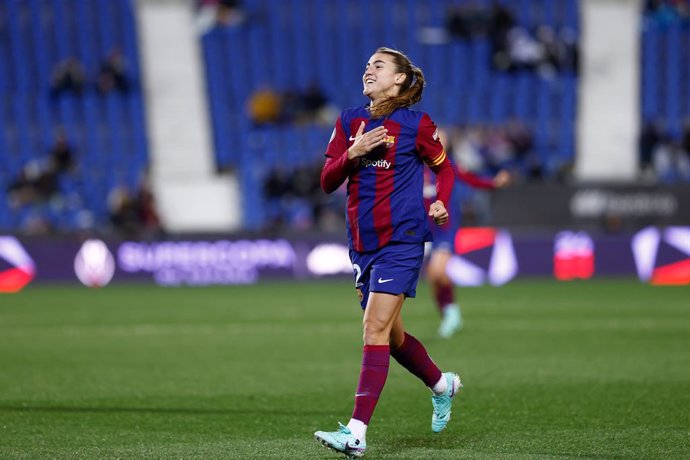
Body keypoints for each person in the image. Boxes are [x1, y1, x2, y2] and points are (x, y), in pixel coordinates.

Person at [314, 47, 462, 458]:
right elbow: (326, 181)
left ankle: (356, 433)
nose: (368, 71)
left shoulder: (417, 125)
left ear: (398, 79)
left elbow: (445, 168)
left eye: (378, 66)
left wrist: (442, 201)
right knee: (393, 337)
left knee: (373, 330)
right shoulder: (348, 121)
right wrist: (353, 153)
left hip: (403, 239)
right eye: (366, 66)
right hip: (363, 245)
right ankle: (441, 384)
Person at [425, 157, 512, 338]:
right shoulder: (411, 164)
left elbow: (472, 180)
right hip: (424, 228)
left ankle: (451, 314)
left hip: (445, 227)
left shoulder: (447, 164)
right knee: (433, 277)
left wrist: (494, 182)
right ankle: (448, 314)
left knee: (438, 271)